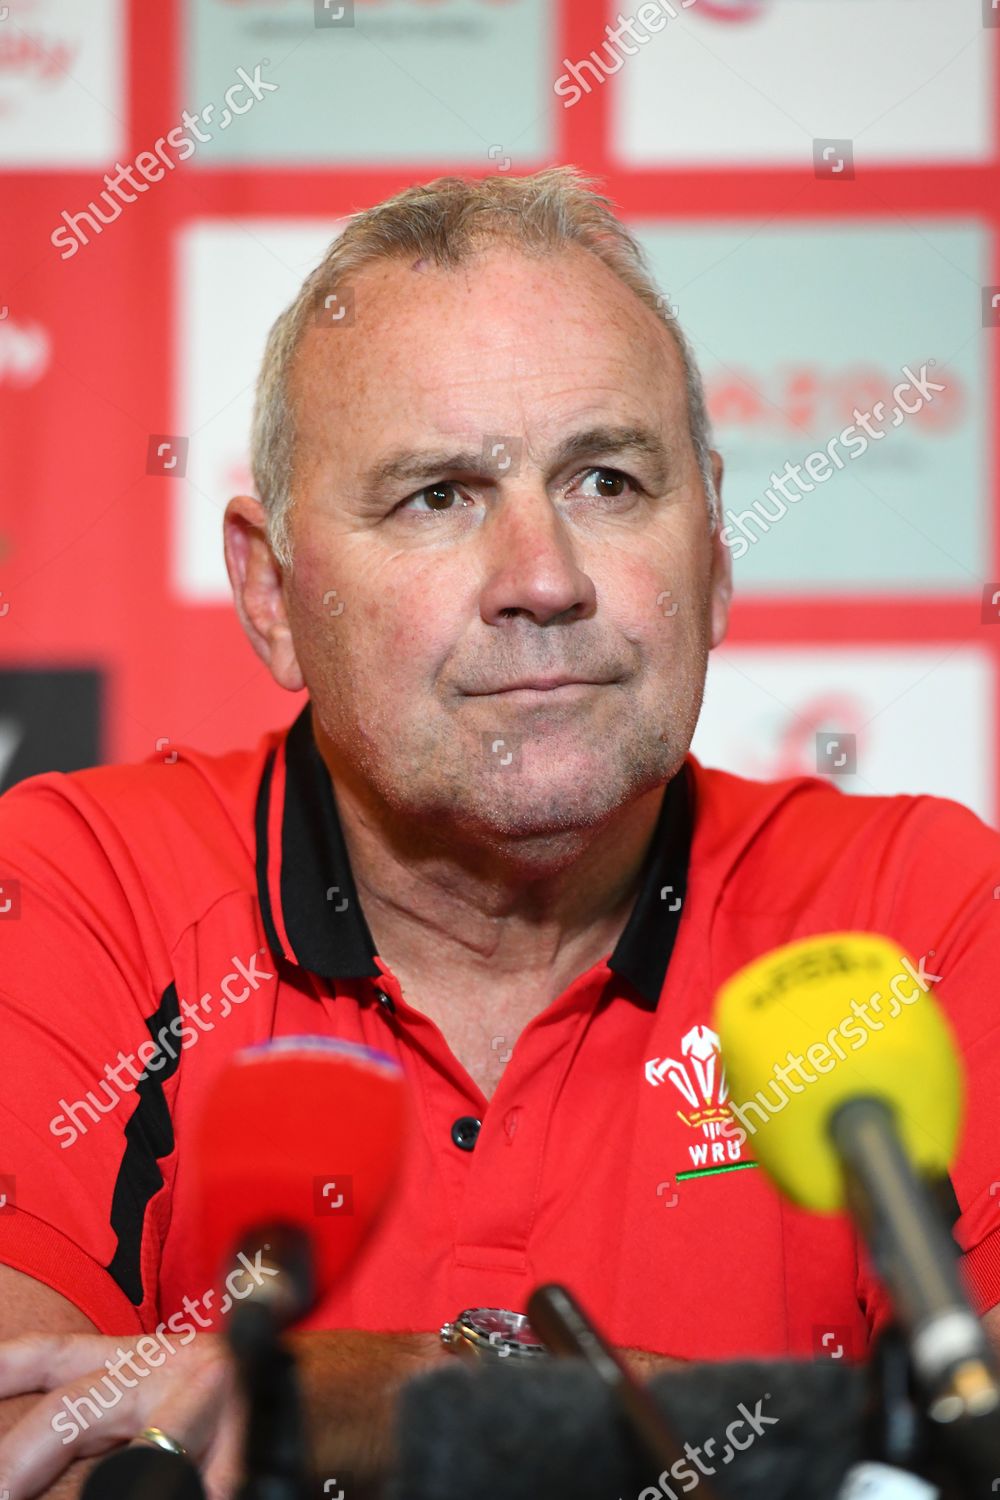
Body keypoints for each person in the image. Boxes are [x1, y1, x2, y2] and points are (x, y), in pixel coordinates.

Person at [0, 165, 997, 1500]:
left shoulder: (918, 908)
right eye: (439, 496)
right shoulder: (79, 885)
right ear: (273, 592)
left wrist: (372, 1400)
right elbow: (28, 1430)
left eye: (607, 480)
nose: (544, 579)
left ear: (713, 553)